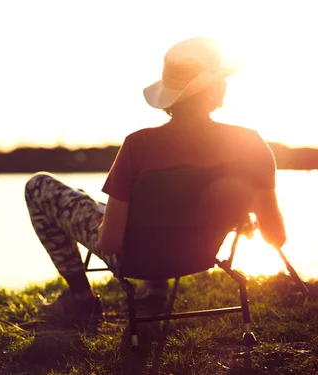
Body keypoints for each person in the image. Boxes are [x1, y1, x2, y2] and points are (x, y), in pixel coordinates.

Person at [24, 36, 287, 324]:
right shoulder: (249, 144)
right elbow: (276, 237)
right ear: (217, 90)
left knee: (38, 186)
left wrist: (96, 218)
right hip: (199, 255)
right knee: (116, 207)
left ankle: (83, 300)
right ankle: (156, 285)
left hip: (137, 260)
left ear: (170, 97)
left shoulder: (138, 145)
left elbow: (110, 243)